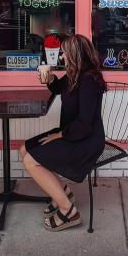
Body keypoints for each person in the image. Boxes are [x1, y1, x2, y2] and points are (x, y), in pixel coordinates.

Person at [19, 34, 107, 232]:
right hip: (71, 132)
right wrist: (50, 78)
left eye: (65, 54)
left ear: (75, 55)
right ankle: (64, 193)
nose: (62, 57)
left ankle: (69, 211)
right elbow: (58, 88)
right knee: (24, 149)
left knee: (31, 160)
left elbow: (85, 124)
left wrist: (59, 135)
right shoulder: (74, 74)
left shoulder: (88, 80)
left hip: (85, 139)